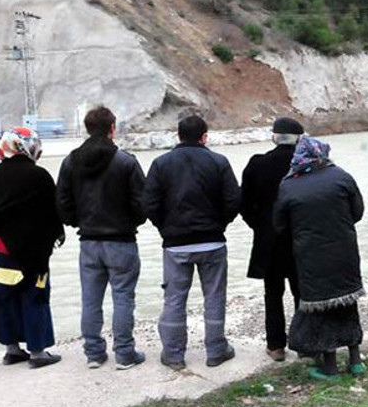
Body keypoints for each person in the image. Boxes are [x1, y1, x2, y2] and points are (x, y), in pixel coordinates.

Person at [143, 115, 241, 370]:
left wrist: (166, 229)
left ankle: (174, 354)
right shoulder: (219, 162)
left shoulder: (161, 163)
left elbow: (149, 204)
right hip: (212, 242)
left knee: (174, 299)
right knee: (215, 297)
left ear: (178, 135)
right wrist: (219, 225)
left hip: (175, 244)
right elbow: (233, 200)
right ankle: (216, 350)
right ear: (204, 136)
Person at [56, 106, 147, 370]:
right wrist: (131, 222)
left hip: (88, 242)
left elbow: (62, 203)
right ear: (112, 128)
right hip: (121, 241)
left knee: (90, 300)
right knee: (123, 298)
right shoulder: (126, 161)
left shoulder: (70, 161)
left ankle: (94, 354)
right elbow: (142, 204)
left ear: (87, 128)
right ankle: (125, 354)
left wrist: (77, 222)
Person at [274, 136, 365, 381]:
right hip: (345, 252)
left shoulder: (289, 185)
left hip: (311, 256)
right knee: (348, 303)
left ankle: (331, 367)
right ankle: (356, 361)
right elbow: (358, 212)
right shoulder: (342, 176)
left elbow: (279, 225)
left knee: (322, 308)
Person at [0, 127, 64, 368]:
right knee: (34, 296)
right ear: (26, 146)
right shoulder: (38, 175)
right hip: (29, 248)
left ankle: (12, 350)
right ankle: (37, 353)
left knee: (4, 295)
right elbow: (52, 212)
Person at [241, 117, 303, 362]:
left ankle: (276, 345)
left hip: (269, 239)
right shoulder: (305, 165)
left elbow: (244, 204)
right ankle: (304, 342)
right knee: (302, 292)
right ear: (300, 138)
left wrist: (260, 226)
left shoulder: (257, 164)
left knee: (273, 293)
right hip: (300, 237)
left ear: (274, 136)